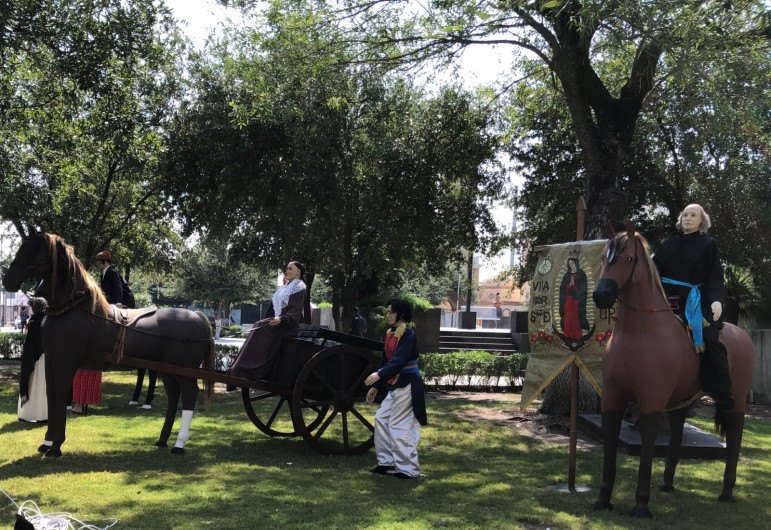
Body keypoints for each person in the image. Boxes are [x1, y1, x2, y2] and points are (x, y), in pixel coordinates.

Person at [652, 203, 733, 410]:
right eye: (685, 215)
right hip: (666, 299)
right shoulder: (667, 244)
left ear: (701, 221)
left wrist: (716, 299)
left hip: (697, 301)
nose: (688, 218)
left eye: (693, 215)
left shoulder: (708, 244)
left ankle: (722, 393)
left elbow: (715, 275)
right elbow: (653, 269)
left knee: (710, 340)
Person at [365, 299, 427, 479]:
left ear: (400, 314)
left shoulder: (408, 334)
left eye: (391, 312)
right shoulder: (391, 333)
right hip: (396, 383)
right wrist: (377, 385)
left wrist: (379, 375)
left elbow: (399, 360)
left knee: (398, 424)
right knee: (381, 418)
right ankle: (387, 462)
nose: (388, 315)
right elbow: (386, 361)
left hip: (407, 383)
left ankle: (407, 468)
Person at [229, 261, 307, 380]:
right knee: (259, 324)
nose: (287, 271)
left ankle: (253, 368)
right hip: (279, 324)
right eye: (287, 269)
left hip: (287, 327)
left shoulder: (299, 287)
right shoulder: (286, 287)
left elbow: (295, 311)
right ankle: (241, 366)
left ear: (298, 271)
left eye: (290, 269)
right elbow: (273, 309)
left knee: (261, 326)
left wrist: (282, 320)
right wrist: (268, 320)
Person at [18, 298, 47, 422]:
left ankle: (29, 414)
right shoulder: (48, 320)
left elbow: (30, 344)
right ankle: (43, 415)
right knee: (42, 386)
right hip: (46, 358)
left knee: (33, 384)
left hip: (36, 359)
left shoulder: (35, 322)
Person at [558, 257, 589, 339]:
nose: (571, 265)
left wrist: (575, 287)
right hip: (568, 299)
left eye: (572, 263)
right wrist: (569, 285)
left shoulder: (581, 274)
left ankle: (577, 336)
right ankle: (568, 336)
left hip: (577, 300)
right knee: (568, 317)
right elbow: (563, 288)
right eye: (569, 264)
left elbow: (583, 288)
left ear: (576, 263)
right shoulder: (567, 275)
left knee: (576, 318)